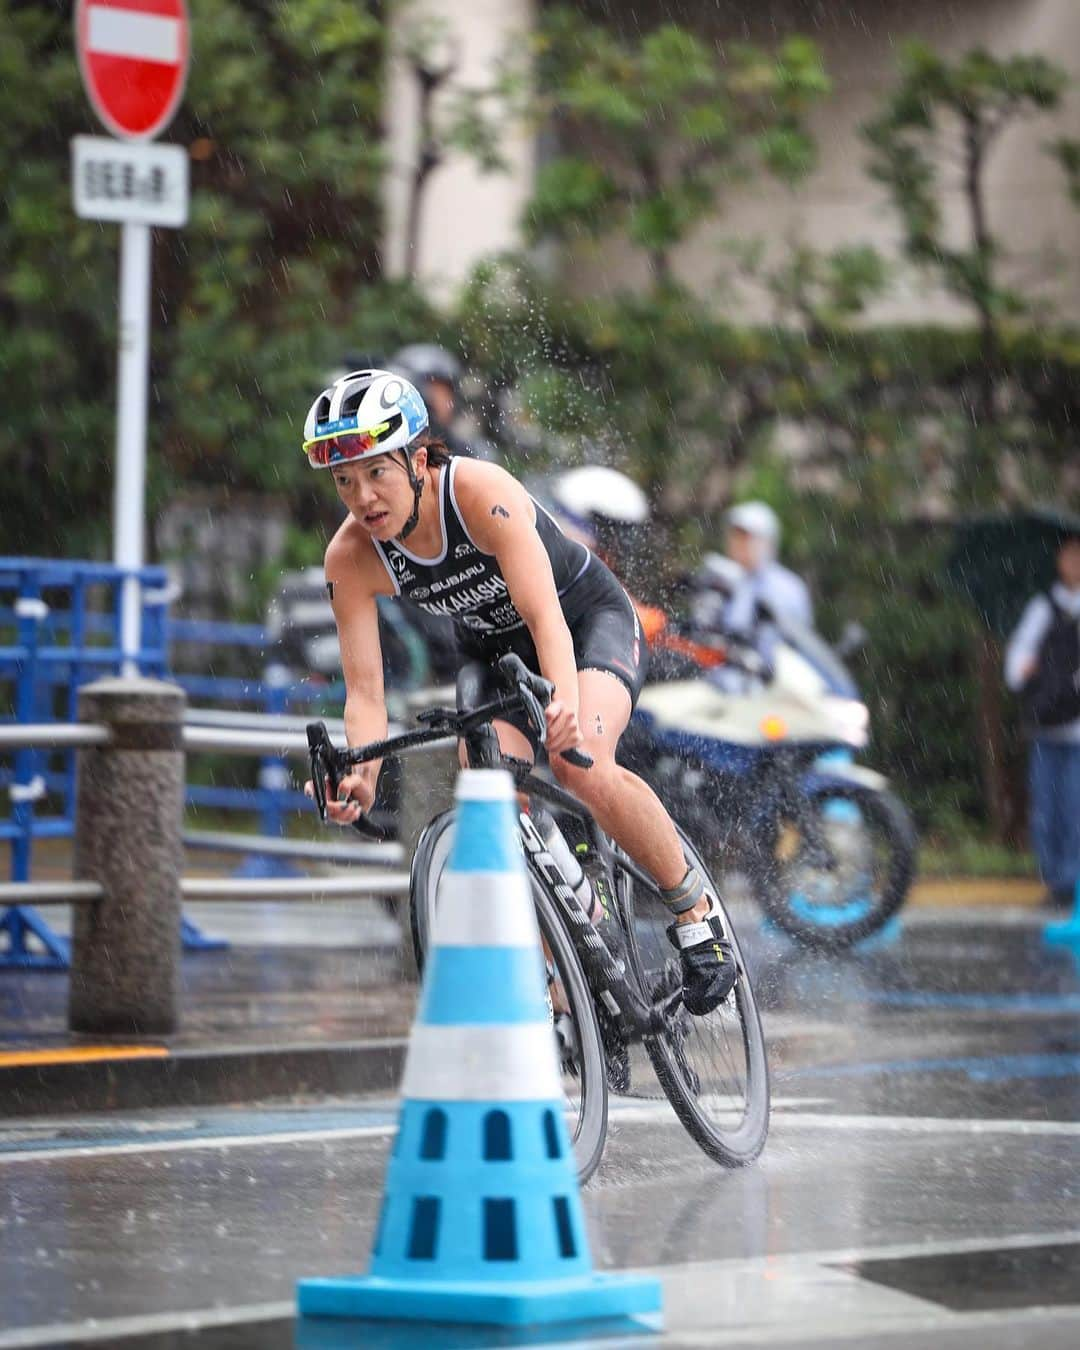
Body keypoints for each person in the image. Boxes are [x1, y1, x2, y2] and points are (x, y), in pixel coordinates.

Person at [301, 368, 736, 1015]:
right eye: (345, 481)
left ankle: (697, 915)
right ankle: (573, 969)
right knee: (488, 793)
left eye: (377, 473)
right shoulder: (351, 557)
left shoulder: (481, 495)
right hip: (494, 655)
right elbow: (364, 695)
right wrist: (361, 770)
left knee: (579, 760)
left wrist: (559, 704)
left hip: (583, 623)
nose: (362, 497)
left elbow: (545, 619)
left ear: (420, 461)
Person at [1004, 531, 1080, 907]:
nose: (1074, 564)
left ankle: (1071, 881)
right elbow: (1018, 661)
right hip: (1047, 723)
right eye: (1069, 556)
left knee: (1074, 807)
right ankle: (1056, 881)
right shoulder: (1043, 606)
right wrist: (1025, 669)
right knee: (1047, 811)